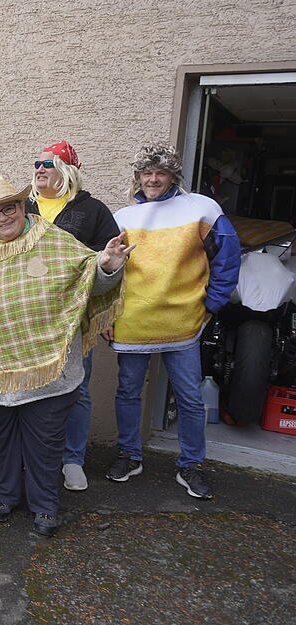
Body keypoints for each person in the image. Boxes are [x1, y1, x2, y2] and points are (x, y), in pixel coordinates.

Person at [0, 177, 130, 537]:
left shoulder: (53, 241)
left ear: (23, 207)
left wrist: (109, 265)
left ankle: (44, 506)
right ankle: (6, 495)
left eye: (10, 207)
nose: (3, 217)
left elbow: (90, 282)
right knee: (3, 441)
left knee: (43, 444)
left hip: (49, 373)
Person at [105, 142, 240, 499]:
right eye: (146, 173)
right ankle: (129, 455)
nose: (152, 179)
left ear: (172, 176)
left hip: (184, 320)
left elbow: (228, 256)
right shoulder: (122, 218)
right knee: (128, 392)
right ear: (138, 177)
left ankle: (191, 465)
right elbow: (108, 269)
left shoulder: (203, 208)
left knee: (190, 398)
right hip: (133, 321)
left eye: (160, 173)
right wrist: (104, 314)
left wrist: (211, 303)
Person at [24, 141, 120, 492]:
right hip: (26, 316)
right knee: (28, 385)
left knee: (76, 389)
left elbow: (109, 263)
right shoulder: (23, 207)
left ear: (67, 170)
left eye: (47, 164)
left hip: (72, 317)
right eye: (36, 163)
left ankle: (72, 459)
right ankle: (29, 456)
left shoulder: (93, 210)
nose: (39, 169)